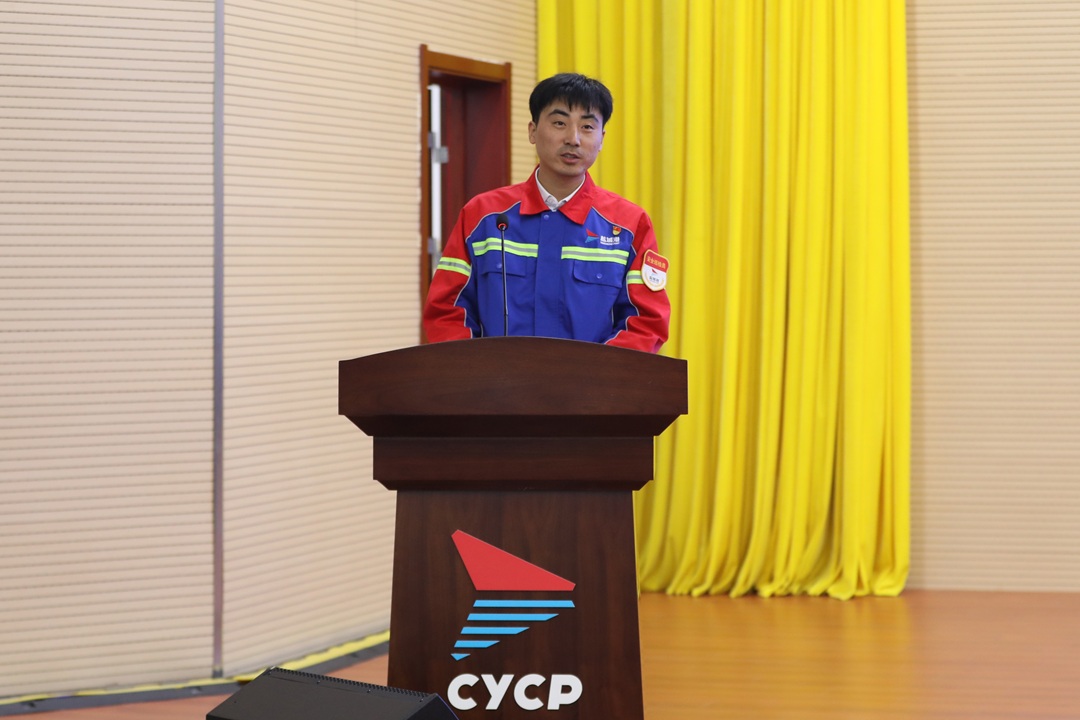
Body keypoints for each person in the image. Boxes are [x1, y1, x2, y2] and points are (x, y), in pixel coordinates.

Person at [422, 73, 670, 353]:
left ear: (601, 139)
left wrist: (596, 376)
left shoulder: (629, 225)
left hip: (594, 381)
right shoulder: (483, 217)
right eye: (559, 123)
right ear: (532, 131)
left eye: (587, 127)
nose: (573, 139)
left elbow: (645, 323)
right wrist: (477, 372)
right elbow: (447, 312)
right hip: (495, 381)